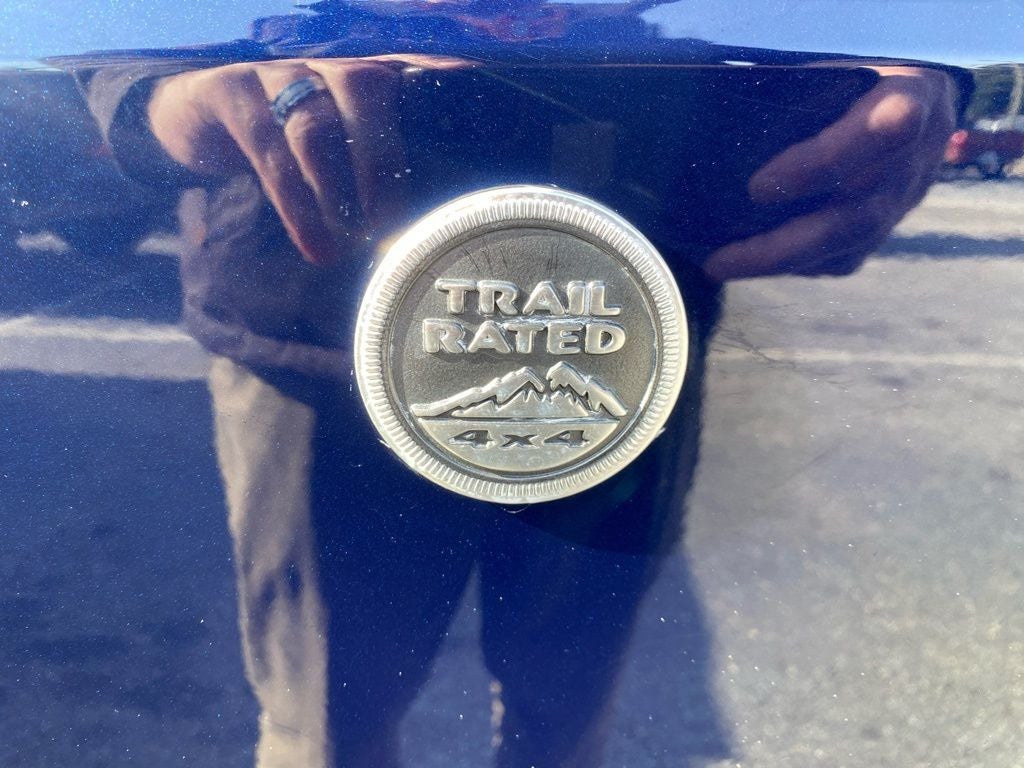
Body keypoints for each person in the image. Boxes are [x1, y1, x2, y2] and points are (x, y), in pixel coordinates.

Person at [62, 2, 960, 765]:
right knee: (327, 726)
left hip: (629, 320)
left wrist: (918, 55)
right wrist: (149, 89)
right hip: (312, 321)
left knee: (563, 717)